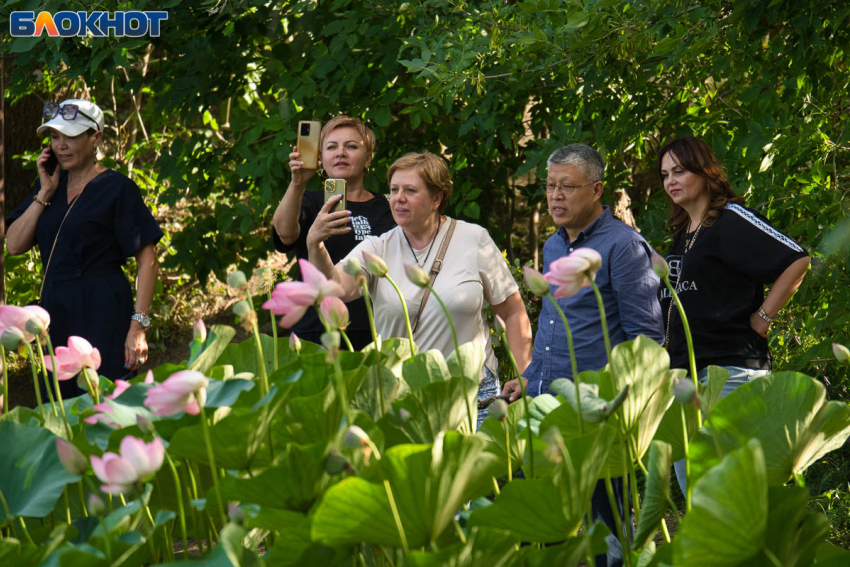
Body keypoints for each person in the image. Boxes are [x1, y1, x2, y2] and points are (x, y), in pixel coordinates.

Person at [501, 143, 664, 567]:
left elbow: (645, 340)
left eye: (567, 187)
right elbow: (557, 322)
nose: (555, 195)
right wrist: (531, 375)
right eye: (550, 186)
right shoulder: (555, 246)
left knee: (605, 533)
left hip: (596, 415)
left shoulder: (625, 247)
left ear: (596, 190)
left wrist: (623, 406)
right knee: (539, 526)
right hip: (543, 405)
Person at [307, 152, 532, 425]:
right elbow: (334, 288)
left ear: (436, 199)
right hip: (402, 397)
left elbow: (512, 311)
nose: (398, 198)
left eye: (410, 190)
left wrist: (523, 372)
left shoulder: (474, 239)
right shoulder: (379, 247)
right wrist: (315, 245)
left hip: (474, 396)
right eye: (393, 190)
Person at [6, 99, 162, 398]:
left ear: (96, 138)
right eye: (54, 137)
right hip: (56, 310)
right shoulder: (49, 186)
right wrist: (44, 193)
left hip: (103, 307)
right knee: (60, 406)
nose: (61, 145)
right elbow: (14, 245)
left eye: (72, 136)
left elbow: (148, 261)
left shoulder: (118, 189)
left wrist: (138, 326)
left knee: (108, 402)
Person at [657, 136, 809, 395]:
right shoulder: (682, 236)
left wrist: (763, 318)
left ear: (704, 171)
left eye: (679, 171)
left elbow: (797, 258)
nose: (670, 181)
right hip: (688, 376)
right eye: (665, 174)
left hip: (732, 370)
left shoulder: (729, 220)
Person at [272, 116, 395, 349]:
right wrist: (298, 183)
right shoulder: (309, 201)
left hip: (376, 329)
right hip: (316, 329)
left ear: (368, 158)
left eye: (351, 146)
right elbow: (285, 234)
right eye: (331, 147)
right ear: (320, 159)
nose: (341, 153)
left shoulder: (387, 207)